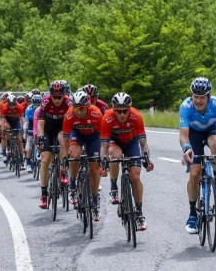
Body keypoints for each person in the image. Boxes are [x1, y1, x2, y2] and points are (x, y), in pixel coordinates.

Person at [179, 77, 216, 234]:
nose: (198, 101)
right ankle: (192, 213)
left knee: (215, 144)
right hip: (193, 135)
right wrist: (186, 149)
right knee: (195, 173)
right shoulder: (186, 107)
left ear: (209, 97)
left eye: (202, 97)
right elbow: (183, 135)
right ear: (191, 95)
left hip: (212, 129)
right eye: (195, 96)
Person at [100, 92, 154, 231]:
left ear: (130, 109)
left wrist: (147, 160)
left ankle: (140, 213)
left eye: (125, 111)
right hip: (114, 142)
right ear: (113, 109)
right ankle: (113, 187)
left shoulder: (136, 116)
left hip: (131, 143)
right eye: (118, 111)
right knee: (116, 155)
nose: (122, 114)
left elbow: (143, 144)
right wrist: (104, 164)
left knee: (135, 176)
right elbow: (104, 147)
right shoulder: (107, 118)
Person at [63, 90, 104, 221]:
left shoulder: (96, 113)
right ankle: (73, 185)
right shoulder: (69, 115)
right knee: (74, 156)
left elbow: (104, 137)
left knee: (94, 168)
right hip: (78, 134)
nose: (78, 111)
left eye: (81, 108)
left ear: (88, 106)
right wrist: (64, 156)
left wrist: (103, 157)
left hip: (94, 136)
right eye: (75, 108)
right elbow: (64, 141)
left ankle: (95, 196)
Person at [36, 80, 72, 209]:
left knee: (63, 139)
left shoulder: (69, 102)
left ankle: (63, 171)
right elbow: (40, 122)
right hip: (48, 130)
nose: (57, 100)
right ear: (50, 95)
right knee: (45, 160)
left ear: (64, 95)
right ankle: (44, 194)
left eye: (59, 97)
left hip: (62, 129)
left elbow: (73, 121)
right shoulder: (45, 101)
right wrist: (40, 137)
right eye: (54, 97)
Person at [0, 94, 26, 168]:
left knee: (19, 139)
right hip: (8, 120)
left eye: (13, 104)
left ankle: (21, 157)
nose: (12, 106)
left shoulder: (19, 107)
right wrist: (3, 129)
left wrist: (23, 128)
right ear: (8, 103)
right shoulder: (5, 107)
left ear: (15, 103)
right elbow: (2, 120)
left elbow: (22, 119)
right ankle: (9, 145)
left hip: (16, 121)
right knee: (6, 127)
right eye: (10, 105)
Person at [24, 94, 41, 173]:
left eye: (38, 105)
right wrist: (25, 132)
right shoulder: (28, 109)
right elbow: (26, 123)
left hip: (39, 124)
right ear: (32, 103)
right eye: (35, 105)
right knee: (30, 140)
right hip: (31, 124)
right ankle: (28, 163)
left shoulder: (42, 110)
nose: (36, 107)